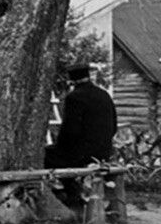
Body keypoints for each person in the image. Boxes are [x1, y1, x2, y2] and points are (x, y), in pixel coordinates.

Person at [44, 64, 118, 207]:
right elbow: (114, 126)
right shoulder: (104, 95)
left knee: (48, 156)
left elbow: (70, 131)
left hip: (83, 153)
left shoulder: (75, 97)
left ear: (72, 81)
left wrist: (60, 147)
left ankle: (71, 194)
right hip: (104, 151)